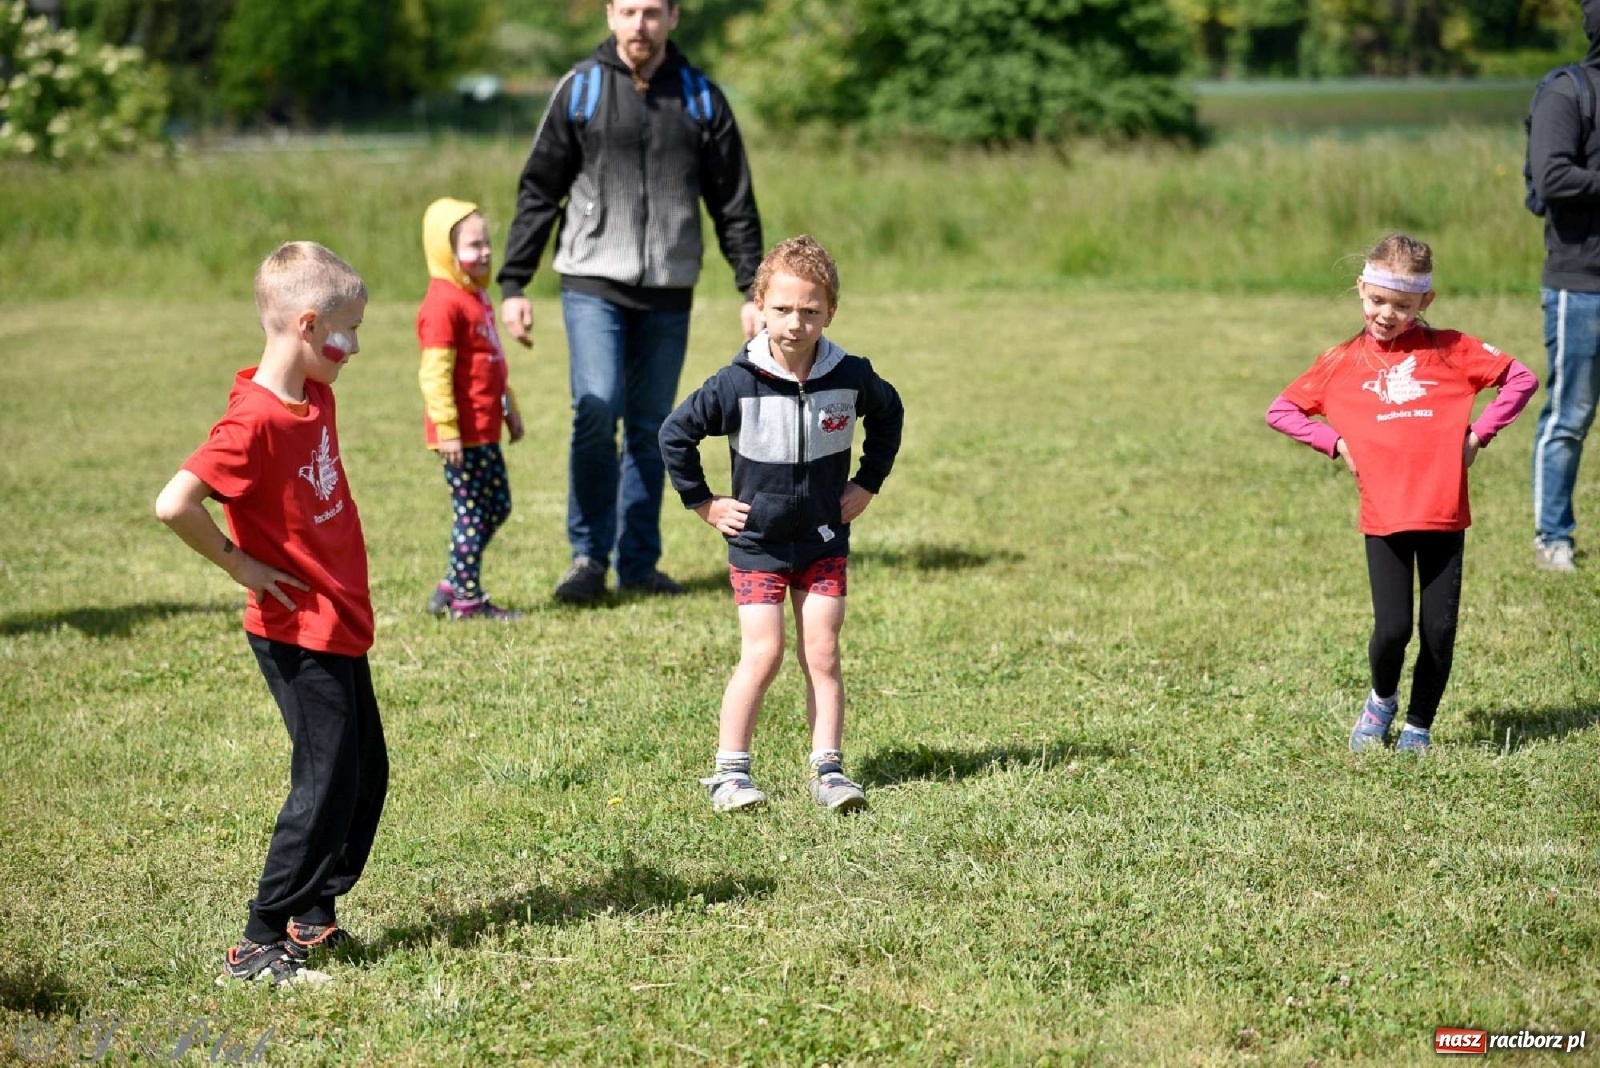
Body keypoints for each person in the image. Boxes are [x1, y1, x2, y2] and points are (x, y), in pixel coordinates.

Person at [155, 242, 388, 985]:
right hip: (296, 631)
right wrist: (239, 563)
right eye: (348, 332)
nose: (355, 348)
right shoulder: (251, 422)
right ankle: (258, 940)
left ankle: (312, 917)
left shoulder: (314, 392)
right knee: (323, 785)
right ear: (308, 325)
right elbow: (174, 504)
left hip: (339, 620)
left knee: (365, 776)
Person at [498, 0, 764, 605]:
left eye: (651, 12)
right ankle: (588, 556)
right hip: (593, 283)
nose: (639, 24)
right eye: (627, 11)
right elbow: (540, 188)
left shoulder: (701, 98)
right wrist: (514, 282)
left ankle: (640, 564)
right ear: (610, 17)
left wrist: (752, 286)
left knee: (653, 426)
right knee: (597, 408)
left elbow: (734, 201)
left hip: (670, 288)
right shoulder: (581, 90)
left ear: (673, 17)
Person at [1266, 233, 1537, 753]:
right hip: (1385, 515)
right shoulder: (1340, 361)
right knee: (1393, 629)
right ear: (1361, 289)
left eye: (1403, 305)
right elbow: (1281, 410)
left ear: (1424, 303)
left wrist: (1479, 436)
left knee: (1438, 631)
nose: (1387, 314)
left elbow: (1520, 378)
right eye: (1377, 300)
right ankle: (1381, 701)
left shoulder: (1452, 349)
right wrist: (1336, 442)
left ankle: (1418, 726)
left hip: (1442, 512)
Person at [660, 236, 904, 811]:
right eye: (782, 310)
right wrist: (704, 503)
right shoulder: (736, 383)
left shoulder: (849, 375)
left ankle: (829, 770)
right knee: (764, 654)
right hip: (758, 546)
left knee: (822, 651)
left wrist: (866, 483)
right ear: (760, 306)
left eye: (811, 311)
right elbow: (675, 434)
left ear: (831, 312)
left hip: (823, 541)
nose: (796, 323)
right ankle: (730, 773)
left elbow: (890, 414)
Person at [418, 197, 525, 622]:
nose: (484, 253)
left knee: (496, 506)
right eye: (472, 245)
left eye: (486, 243)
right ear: (446, 250)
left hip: (485, 429)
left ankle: (451, 583)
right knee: (474, 512)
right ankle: (466, 600)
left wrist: (508, 408)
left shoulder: (475, 297)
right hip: (461, 434)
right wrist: (446, 427)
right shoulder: (443, 304)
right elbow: (435, 373)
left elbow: (492, 361)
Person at [1526, 1, 1600, 572]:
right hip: (1583, 284)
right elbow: (1551, 176)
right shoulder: (1567, 91)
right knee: (1570, 415)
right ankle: (1553, 537)